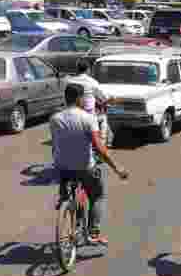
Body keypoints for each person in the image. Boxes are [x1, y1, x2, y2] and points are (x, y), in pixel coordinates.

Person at [49, 83, 129, 246]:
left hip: (61, 167)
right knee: (98, 195)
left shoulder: (55, 119)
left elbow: (56, 143)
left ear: (65, 98)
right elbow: (99, 148)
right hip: (84, 167)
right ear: (80, 99)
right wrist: (117, 168)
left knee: (68, 184)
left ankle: (65, 199)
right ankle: (94, 233)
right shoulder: (88, 118)